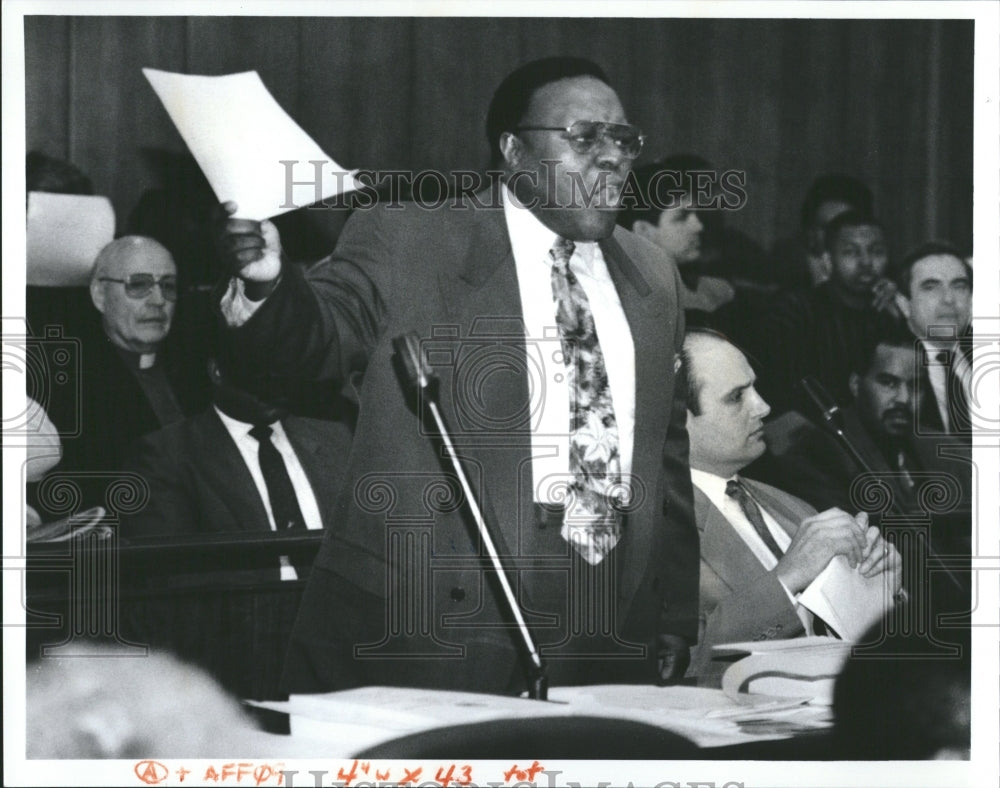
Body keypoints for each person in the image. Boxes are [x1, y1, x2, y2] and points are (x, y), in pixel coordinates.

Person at [215, 57, 699, 694]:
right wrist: (271, 293)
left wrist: (672, 611)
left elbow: (662, 447)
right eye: (584, 138)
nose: (611, 156)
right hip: (438, 610)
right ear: (513, 150)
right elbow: (319, 338)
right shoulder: (408, 239)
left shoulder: (652, 274)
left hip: (608, 614)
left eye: (624, 139)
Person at [681, 329, 901, 685]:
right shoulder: (653, 527)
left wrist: (881, 589)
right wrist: (786, 578)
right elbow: (682, 670)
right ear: (678, 419)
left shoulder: (792, 506)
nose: (763, 407)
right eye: (737, 397)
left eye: (754, 387)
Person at [121, 358, 352, 580]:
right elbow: (169, 574)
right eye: (259, 368)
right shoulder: (166, 455)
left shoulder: (336, 438)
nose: (274, 381)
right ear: (217, 371)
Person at [41, 236, 208, 513]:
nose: (158, 300)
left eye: (168, 286)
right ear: (100, 296)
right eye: (138, 284)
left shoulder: (197, 368)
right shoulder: (65, 385)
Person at [746, 210, 900, 415]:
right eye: (851, 252)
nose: (866, 262)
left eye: (876, 251)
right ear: (827, 261)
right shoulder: (796, 310)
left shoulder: (888, 313)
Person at [618, 156, 736, 314]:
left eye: (696, 213)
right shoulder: (627, 299)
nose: (699, 226)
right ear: (643, 232)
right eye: (682, 217)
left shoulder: (716, 291)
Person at [893, 242, 973, 435]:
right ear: (904, 304)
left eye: (959, 286)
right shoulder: (890, 366)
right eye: (931, 287)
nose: (948, 299)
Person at [770, 173, 875, 290]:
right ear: (811, 234)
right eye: (828, 228)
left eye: (847, 230)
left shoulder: (878, 276)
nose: (837, 237)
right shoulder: (786, 275)